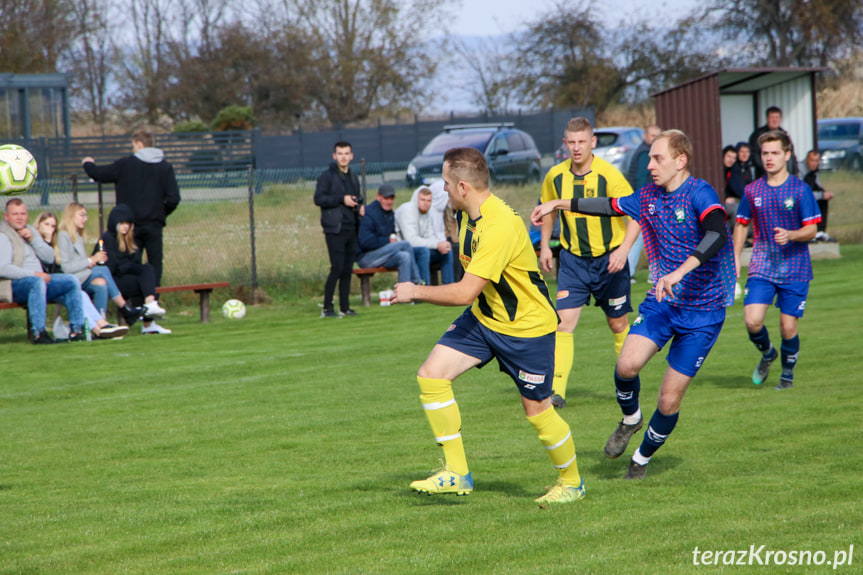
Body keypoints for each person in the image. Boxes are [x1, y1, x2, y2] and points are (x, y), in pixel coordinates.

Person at [531, 129, 736, 480]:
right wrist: (558, 204)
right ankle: (630, 419)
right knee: (626, 366)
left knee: (669, 401)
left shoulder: (700, 193)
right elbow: (608, 207)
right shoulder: (648, 196)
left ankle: (641, 459)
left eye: (658, 159)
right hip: (663, 303)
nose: (650, 165)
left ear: (680, 160)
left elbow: (716, 233)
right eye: (650, 158)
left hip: (704, 311)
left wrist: (680, 272)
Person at [392, 147, 584, 506]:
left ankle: (572, 483)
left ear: (463, 186)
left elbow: (465, 291)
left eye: (447, 183)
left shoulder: (498, 226)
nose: (443, 190)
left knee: (538, 410)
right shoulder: (466, 213)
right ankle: (456, 473)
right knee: (431, 375)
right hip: (485, 318)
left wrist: (415, 290)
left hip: (526, 329)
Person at [537, 116, 639, 409]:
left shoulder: (609, 175)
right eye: (572, 142)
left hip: (610, 260)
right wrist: (545, 246)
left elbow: (635, 214)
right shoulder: (555, 176)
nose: (577, 148)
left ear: (593, 142)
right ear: (565, 144)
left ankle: (629, 383)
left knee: (618, 324)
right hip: (572, 261)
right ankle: (556, 392)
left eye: (583, 142)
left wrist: (624, 251)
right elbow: (548, 210)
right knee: (563, 324)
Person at [733, 131, 821, 390]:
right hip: (762, 264)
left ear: (787, 154)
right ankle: (768, 353)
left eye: (774, 153)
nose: (769, 158)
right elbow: (740, 224)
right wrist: (735, 258)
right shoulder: (752, 190)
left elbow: (812, 230)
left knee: (787, 326)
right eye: (765, 153)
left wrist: (792, 234)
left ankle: (787, 376)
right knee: (752, 320)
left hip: (795, 267)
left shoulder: (800, 190)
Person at [81, 129, 181, 292]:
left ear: (139, 145)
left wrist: (88, 164)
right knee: (155, 264)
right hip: (154, 225)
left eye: (133, 146)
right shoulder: (165, 167)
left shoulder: (126, 164)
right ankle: (152, 302)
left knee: (132, 264)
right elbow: (174, 198)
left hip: (129, 227)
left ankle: (135, 303)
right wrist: (160, 213)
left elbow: (100, 174)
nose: (133, 150)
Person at [0, 198, 86, 344]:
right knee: (37, 282)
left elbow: (49, 257)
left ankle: (77, 330)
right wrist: (34, 274)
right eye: (15, 214)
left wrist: (34, 239)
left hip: (38, 281)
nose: (20, 217)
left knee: (71, 281)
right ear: (6, 217)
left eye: (23, 214)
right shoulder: (3, 236)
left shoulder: (30, 230)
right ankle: (39, 333)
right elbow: (3, 269)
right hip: (13, 285)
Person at [35, 210, 130, 340]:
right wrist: (90, 261)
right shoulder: (36, 243)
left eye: (52, 226)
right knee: (100, 273)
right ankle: (111, 320)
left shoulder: (57, 243)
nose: (50, 229)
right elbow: (57, 265)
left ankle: (101, 326)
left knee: (87, 291)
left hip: (62, 284)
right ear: (38, 226)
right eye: (46, 224)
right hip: (46, 286)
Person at [56, 202, 144, 324]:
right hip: (71, 280)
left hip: (82, 276)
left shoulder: (78, 236)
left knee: (101, 283)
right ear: (71, 215)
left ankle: (102, 322)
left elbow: (80, 263)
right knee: (103, 270)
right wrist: (90, 261)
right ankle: (124, 309)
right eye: (82, 215)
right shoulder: (63, 236)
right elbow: (66, 268)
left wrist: (91, 262)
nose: (85, 219)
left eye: (86, 216)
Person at [99, 204, 171, 335]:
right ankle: (149, 314)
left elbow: (135, 261)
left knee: (147, 269)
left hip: (124, 278)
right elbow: (112, 268)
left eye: (128, 223)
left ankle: (150, 308)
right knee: (143, 279)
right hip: (112, 283)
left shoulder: (130, 239)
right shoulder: (107, 239)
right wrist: (128, 265)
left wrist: (127, 265)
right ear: (115, 222)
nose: (126, 226)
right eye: (122, 223)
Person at [313, 141, 363, 318]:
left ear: (351, 156)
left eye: (346, 153)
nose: (343, 157)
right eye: (340, 153)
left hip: (351, 227)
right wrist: (342, 199)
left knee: (347, 269)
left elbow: (355, 198)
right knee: (337, 268)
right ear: (334, 156)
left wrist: (360, 206)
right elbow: (319, 199)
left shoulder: (353, 177)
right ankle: (327, 308)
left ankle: (345, 307)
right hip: (335, 228)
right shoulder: (327, 176)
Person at [356, 184, 421, 285]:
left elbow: (391, 235)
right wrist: (388, 241)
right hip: (366, 258)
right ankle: (417, 282)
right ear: (378, 197)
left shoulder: (390, 214)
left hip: (383, 255)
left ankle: (405, 294)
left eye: (391, 198)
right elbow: (366, 243)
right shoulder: (368, 213)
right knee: (405, 244)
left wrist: (391, 240)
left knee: (404, 256)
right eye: (386, 198)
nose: (389, 201)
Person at [395, 186, 454, 285]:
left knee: (446, 251)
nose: (426, 203)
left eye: (429, 200)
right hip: (403, 250)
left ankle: (449, 289)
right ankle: (423, 289)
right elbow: (411, 241)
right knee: (424, 251)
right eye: (422, 200)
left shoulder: (427, 213)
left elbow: (430, 236)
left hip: (420, 250)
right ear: (416, 198)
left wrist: (441, 245)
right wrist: (436, 244)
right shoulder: (407, 210)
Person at [625, 124, 661, 281]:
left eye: (657, 136)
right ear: (645, 136)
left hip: (643, 202)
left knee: (642, 238)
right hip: (644, 203)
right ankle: (651, 274)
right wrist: (645, 201)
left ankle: (630, 274)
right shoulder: (645, 153)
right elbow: (640, 178)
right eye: (652, 135)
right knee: (647, 238)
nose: (654, 139)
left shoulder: (645, 151)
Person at [749, 106, 798, 177]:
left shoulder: (784, 135)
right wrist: (768, 169)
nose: (774, 120)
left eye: (777, 117)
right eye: (772, 117)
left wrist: (795, 171)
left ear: (780, 119)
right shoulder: (758, 135)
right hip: (765, 176)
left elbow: (791, 155)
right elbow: (755, 156)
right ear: (767, 118)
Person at [802, 150, 834, 241]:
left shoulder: (815, 172)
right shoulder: (800, 171)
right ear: (807, 160)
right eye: (812, 161)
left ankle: (820, 232)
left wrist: (825, 194)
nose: (814, 164)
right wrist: (820, 195)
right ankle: (807, 232)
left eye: (816, 161)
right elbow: (801, 194)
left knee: (823, 199)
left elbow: (818, 187)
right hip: (799, 199)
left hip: (810, 195)